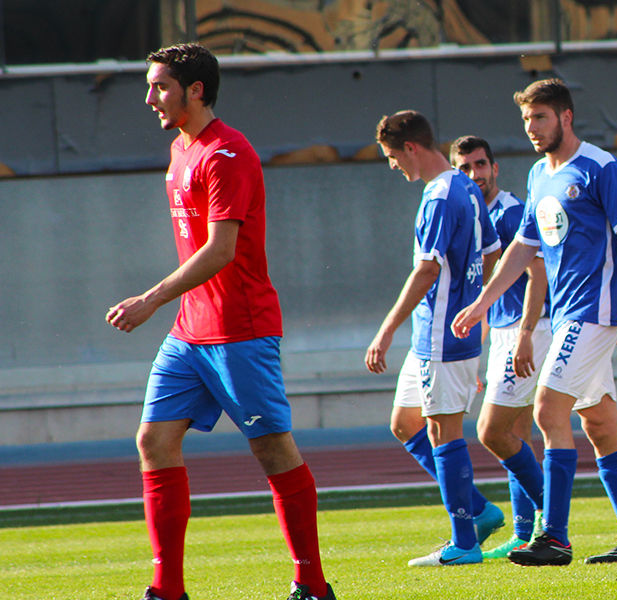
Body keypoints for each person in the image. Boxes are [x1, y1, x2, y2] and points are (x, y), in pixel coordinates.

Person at [106, 43, 335, 600]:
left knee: (272, 450)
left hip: (240, 329)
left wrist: (150, 299)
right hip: (190, 332)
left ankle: (312, 585)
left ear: (196, 90)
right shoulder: (181, 149)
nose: (150, 98)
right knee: (153, 441)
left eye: (160, 86)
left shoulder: (228, 153)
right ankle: (168, 590)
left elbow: (220, 250)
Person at [452, 79, 617, 566]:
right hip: (568, 312)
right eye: (526, 119)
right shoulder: (538, 175)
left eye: (540, 117)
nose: (532, 127)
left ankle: (555, 537)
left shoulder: (600, 167)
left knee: (547, 411)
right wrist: (482, 303)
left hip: (594, 311)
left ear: (566, 117)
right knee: (600, 423)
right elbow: (524, 247)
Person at [364, 111, 503, 566]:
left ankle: (464, 543)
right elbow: (491, 253)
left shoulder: (441, 195)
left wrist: (386, 330)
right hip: (438, 333)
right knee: (406, 423)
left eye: (392, 156)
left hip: (442, 336)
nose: (392, 165)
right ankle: (478, 511)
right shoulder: (465, 186)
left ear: (411, 148)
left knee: (443, 429)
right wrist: (475, 308)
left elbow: (426, 271)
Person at [449, 135, 552, 559]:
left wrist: (525, 334)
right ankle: (526, 532)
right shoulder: (474, 215)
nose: (474, 174)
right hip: (505, 331)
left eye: (480, 165)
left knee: (495, 431)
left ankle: (552, 517)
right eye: (465, 168)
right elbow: (489, 296)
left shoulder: (510, 212)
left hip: (531, 328)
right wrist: (479, 353)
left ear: (495, 168)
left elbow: (538, 277)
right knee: (517, 435)